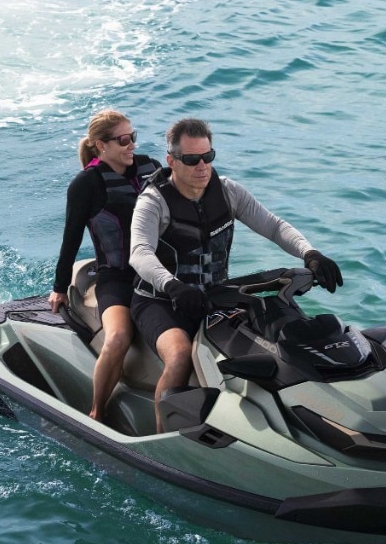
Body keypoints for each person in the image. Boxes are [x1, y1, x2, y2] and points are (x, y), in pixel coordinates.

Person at [129, 118, 343, 432]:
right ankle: (162, 441)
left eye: (208, 157)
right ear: (171, 161)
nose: (202, 166)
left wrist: (309, 253)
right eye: (192, 159)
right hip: (160, 300)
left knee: (280, 340)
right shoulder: (153, 201)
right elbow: (140, 252)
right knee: (179, 356)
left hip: (213, 297)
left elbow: (273, 226)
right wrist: (172, 285)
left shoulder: (228, 191)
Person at [49, 110, 162, 422]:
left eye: (132, 137)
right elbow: (71, 237)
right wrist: (59, 287)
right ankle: (97, 412)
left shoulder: (151, 168)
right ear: (101, 145)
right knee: (118, 338)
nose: (131, 145)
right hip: (117, 277)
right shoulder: (86, 183)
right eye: (123, 140)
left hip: (158, 272)